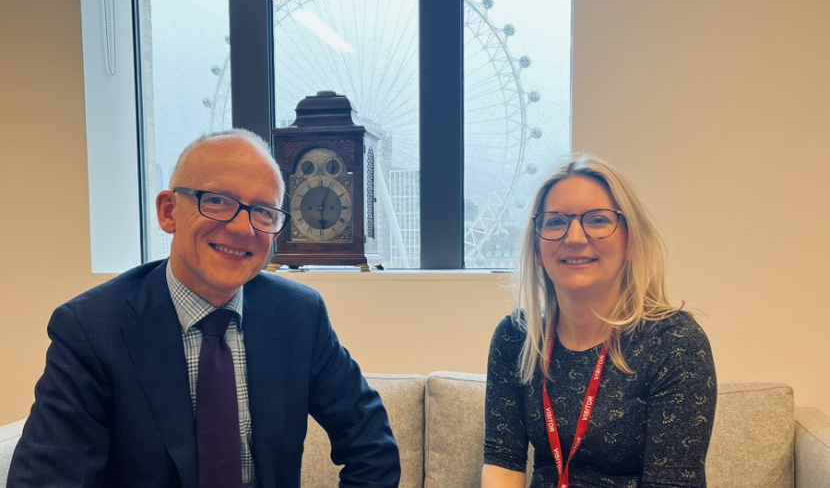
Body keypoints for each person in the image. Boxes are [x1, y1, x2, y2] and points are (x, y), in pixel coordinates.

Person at [8, 129, 400, 488]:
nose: (242, 228)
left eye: (263, 211)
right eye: (217, 201)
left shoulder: (299, 315)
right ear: (168, 211)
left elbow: (371, 445)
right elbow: (47, 478)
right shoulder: (92, 328)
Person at [482, 155, 716, 488]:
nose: (575, 237)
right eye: (554, 222)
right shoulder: (516, 338)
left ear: (630, 241)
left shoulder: (675, 343)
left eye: (597, 220)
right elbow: (502, 462)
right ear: (537, 248)